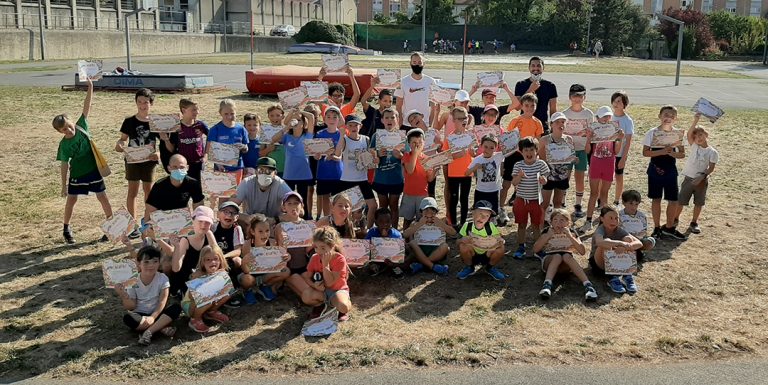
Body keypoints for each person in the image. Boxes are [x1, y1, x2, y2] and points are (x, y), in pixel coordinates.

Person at [53, 77, 114, 244]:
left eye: (69, 125)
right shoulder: (64, 145)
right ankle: (66, 228)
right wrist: (63, 184)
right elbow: (64, 164)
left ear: (72, 122)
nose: (69, 129)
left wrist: (91, 87)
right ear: (60, 131)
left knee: (102, 197)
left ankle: (111, 226)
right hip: (78, 173)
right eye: (64, 129)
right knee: (72, 199)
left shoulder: (81, 125)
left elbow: (87, 106)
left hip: (93, 170)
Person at [114, 243, 181, 345]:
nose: (151, 265)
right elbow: (131, 307)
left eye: (155, 261)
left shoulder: (163, 278)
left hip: (158, 313)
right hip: (141, 315)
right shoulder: (133, 280)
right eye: (146, 262)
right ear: (138, 263)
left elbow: (162, 301)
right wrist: (124, 295)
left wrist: (153, 317)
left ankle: (148, 331)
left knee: (176, 308)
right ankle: (159, 328)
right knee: (128, 318)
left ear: (159, 263)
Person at [115, 88, 159, 238]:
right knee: (132, 192)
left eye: (145, 102)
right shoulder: (129, 121)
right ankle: (132, 225)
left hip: (149, 161)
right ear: (136, 103)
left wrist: (158, 154)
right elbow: (123, 139)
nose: (142, 105)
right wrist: (120, 145)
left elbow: (164, 143)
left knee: (148, 191)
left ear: (151, 103)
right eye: (139, 102)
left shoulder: (155, 122)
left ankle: (147, 222)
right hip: (132, 161)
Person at [641, 105, 687, 240]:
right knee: (656, 199)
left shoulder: (677, 134)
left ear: (676, 119)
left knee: (673, 200)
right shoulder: (652, 133)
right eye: (666, 115)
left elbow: (682, 154)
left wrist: (672, 153)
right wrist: (661, 151)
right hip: (655, 170)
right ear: (660, 116)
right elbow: (645, 152)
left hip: (671, 170)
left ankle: (669, 227)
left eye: (672, 116)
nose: (669, 118)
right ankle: (656, 227)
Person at [532, 208, 596, 301]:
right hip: (549, 261)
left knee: (566, 256)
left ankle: (588, 285)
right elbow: (535, 249)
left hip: (565, 265)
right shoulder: (547, 231)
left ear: (568, 223)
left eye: (562, 220)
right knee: (558, 256)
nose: (558, 223)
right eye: (555, 220)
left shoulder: (572, 232)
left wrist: (570, 236)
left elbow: (582, 251)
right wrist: (547, 236)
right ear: (551, 222)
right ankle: (547, 285)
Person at [500, 93, 544, 225]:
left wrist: (536, 155)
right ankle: (501, 208)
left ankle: (526, 208)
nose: (529, 108)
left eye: (532, 105)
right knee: (507, 183)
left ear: (536, 106)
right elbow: (508, 139)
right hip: (514, 155)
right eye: (526, 105)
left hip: (530, 157)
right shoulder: (515, 121)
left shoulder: (538, 122)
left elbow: (539, 141)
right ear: (522, 106)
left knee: (527, 183)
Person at [579, 106, 624, 234]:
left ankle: (602, 222)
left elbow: (616, 151)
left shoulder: (614, 129)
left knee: (604, 193)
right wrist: (588, 137)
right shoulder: (593, 129)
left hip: (609, 163)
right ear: (597, 118)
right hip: (596, 162)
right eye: (604, 116)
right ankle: (588, 221)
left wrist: (619, 138)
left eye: (608, 116)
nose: (606, 118)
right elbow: (587, 151)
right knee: (594, 193)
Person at [674, 113, 719, 235]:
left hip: (701, 181)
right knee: (681, 200)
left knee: (698, 203)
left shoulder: (712, 152)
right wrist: (695, 120)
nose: (698, 138)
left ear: (706, 135)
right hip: (689, 179)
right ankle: (675, 219)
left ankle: (694, 222)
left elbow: (711, 168)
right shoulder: (694, 146)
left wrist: (702, 176)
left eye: (700, 135)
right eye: (695, 136)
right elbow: (689, 134)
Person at [299, 226, 352, 321]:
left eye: (323, 248)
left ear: (332, 246)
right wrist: (315, 286)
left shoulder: (339, 259)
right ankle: (320, 305)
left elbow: (329, 283)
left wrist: (325, 265)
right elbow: (307, 277)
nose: (318, 251)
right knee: (306, 296)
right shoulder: (315, 257)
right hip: (321, 292)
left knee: (343, 306)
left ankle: (341, 306)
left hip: (337, 290)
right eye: (316, 247)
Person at [334, 114, 378, 228]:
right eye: (351, 125)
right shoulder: (344, 139)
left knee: (373, 205)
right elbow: (337, 153)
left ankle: (367, 230)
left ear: (360, 126)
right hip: (347, 180)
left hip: (362, 179)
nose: (353, 127)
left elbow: (372, 158)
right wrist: (341, 135)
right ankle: (349, 231)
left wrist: (375, 158)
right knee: (349, 209)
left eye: (356, 125)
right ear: (347, 127)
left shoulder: (366, 139)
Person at [510, 137, 550, 259]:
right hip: (521, 200)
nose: (529, 153)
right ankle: (521, 247)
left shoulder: (541, 164)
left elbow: (545, 179)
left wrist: (543, 180)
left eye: (532, 150)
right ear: (521, 152)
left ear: (536, 151)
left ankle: (538, 249)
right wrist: (519, 176)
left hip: (536, 201)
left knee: (536, 225)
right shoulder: (518, 165)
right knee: (521, 224)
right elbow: (514, 183)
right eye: (526, 150)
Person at [271, 109, 316, 219]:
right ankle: (288, 219)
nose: (296, 122)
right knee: (287, 200)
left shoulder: (308, 135)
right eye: (294, 120)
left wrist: (299, 111)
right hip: (289, 174)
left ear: (303, 124)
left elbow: (311, 117)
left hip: (304, 173)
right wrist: (287, 126)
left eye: (299, 120)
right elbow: (273, 139)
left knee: (303, 199)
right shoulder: (287, 136)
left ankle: (305, 219)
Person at [589, 206, 643, 294]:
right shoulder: (600, 230)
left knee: (628, 239)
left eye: (616, 218)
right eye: (610, 218)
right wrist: (620, 243)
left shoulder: (619, 229)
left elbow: (639, 243)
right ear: (602, 219)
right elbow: (599, 242)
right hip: (599, 263)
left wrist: (625, 246)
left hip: (616, 262)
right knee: (606, 242)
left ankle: (627, 276)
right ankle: (612, 278)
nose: (614, 221)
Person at [239, 213, 291, 304]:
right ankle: (249, 290)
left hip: (266, 274)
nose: (265, 234)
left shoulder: (272, 243)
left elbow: (280, 262)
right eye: (260, 231)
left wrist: (287, 257)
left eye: (267, 231)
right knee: (246, 279)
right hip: (251, 274)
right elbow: (245, 270)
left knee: (286, 271)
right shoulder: (247, 245)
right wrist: (245, 261)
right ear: (252, 231)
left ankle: (265, 286)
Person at [181, 245, 233, 333]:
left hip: (209, 300)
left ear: (220, 260)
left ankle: (211, 312)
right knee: (207, 300)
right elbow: (191, 296)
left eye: (215, 259)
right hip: (190, 303)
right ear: (202, 262)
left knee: (228, 292)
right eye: (208, 260)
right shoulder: (198, 275)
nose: (212, 262)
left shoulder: (221, 273)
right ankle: (195, 319)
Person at [168, 206, 217, 296]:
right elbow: (176, 268)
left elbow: (218, 256)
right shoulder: (185, 240)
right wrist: (177, 247)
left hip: (203, 271)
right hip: (187, 277)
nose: (203, 225)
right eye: (200, 221)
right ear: (192, 221)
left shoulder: (209, 234)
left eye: (207, 222)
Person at [143, 154, 205, 225]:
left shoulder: (193, 183)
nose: (178, 170)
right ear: (169, 168)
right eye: (175, 167)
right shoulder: (159, 185)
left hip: (182, 218)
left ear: (187, 168)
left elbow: (199, 206)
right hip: (163, 218)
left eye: (182, 167)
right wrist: (146, 227)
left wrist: (197, 222)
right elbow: (150, 209)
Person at [561, 84, 594, 218]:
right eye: (575, 96)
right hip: (567, 151)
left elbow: (591, 132)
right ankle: (562, 203)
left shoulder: (588, 114)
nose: (577, 99)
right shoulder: (564, 114)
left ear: (584, 97)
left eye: (580, 96)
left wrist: (588, 145)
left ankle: (578, 204)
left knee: (579, 178)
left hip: (581, 150)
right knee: (564, 178)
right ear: (570, 97)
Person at [230, 157, 293, 226]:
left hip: (273, 223)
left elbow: (299, 211)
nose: (264, 174)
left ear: (275, 173)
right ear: (256, 171)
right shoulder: (247, 182)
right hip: (251, 222)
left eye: (268, 171)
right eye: (261, 170)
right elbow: (230, 207)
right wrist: (246, 218)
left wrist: (275, 219)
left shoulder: (280, 184)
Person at [538, 112, 575, 228]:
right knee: (544, 204)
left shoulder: (569, 139)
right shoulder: (544, 140)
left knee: (558, 203)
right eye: (557, 122)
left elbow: (571, 159)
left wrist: (574, 161)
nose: (561, 124)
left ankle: (557, 226)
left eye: (563, 122)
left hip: (562, 176)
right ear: (551, 124)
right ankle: (539, 226)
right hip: (548, 176)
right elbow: (540, 157)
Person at [278, 192, 317, 297]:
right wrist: (284, 247)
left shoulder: (308, 225)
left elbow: (310, 250)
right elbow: (280, 251)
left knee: (316, 289)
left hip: (305, 266)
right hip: (289, 269)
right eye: (289, 203)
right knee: (308, 293)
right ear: (284, 207)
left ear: (302, 205)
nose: (293, 206)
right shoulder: (280, 227)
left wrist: (312, 245)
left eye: (296, 203)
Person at [402, 197, 455, 275]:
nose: (429, 215)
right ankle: (432, 266)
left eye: (433, 212)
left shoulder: (442, 221)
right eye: (426, 213)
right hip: (420, 250)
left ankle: (423, 264)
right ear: (421, 212)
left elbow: (453, 233)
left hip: (436, 250)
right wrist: (420, 224)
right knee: (412, 243)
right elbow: (405, 234)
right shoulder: (415, 223)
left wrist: (441, 224)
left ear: (436, 212)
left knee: (445, 247)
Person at [371, 108, 405, 229]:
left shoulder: (402, 137)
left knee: (394, 206)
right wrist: (378, 154)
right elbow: (371, 156)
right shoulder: (376, 136)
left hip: (396, 178)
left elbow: (408, 158)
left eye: (393, 117)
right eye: (386, 117)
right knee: (383, 207)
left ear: (397, 120)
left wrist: (400, 156)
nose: (389, 120)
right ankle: (382, 229)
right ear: (382, 120)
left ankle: (394, 231)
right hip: (381, 179)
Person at [456, 201, 507, 281]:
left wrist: (500, 241)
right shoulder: (467, 226)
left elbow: (498, 238)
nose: (483, 218)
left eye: (486, 216)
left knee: (501, 248)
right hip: (473, 254)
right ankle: (469, 267)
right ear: (473, 213)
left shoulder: (490, 227)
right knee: (463, 246)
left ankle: (490, 267)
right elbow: (457, 242)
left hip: (487, 253)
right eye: (480, 214)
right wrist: (462, 240)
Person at [442, 106, 476, 228]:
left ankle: (463, 223)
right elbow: (445, 156)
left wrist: (472, 152)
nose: (463, 120)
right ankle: (453, 223)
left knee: (465, 198)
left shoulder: (470, 135)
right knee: (454, 198)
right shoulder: (450, 138)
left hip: (467, 172)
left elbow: (475, 152)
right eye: (460, 118)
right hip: (453, 173)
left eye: (465, 117)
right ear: (454, 120)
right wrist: (454, 156)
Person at [162, 98, 208, 182]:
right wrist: (166, 140)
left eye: (198, 109)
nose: (197, 112)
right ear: (184, 110)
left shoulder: (200, 125)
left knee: (198, 190)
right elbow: (171, 149)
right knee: (183, 190)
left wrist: (206, 155)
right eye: (193, 110)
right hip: (182, 166)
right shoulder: (176, 127)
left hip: (198, 163)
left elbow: (211, 140)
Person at [206, 99, 249, 185]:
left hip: (237, 167)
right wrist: (218, 164)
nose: (229, 116)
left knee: (236, 194)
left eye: (232, 113)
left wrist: (244, 148)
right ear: (220, 113)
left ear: (236, 112)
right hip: (221, 168)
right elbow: (209, 150)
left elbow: (246, 148)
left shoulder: (241, 129)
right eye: (226, 114)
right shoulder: (215, 129)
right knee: (223, 195)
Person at [400, 128, 436, 230]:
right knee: (408, 219)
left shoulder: (427, 158)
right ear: (409, 144)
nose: (417, 145)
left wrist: (434, 171)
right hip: (409, 194)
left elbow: (429, 179)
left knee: (422, 219)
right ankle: (406, 239)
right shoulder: (407, 156)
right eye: (414, 143)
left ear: (424, 143)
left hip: (422, 194)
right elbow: (410, 170)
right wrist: (415, 153)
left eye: (420, 142)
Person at [212, 201, 245, 307]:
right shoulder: (213, 227)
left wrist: (223, 257)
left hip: (228, 258)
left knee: (237, 260)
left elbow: (238, 250)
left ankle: (233, 288)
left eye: (233, 213)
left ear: (237, 217)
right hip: (213, 257)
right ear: (218, 214)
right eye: (225, 212)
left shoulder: (236, 229)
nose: (229, 215)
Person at [314, 106, 345, 217]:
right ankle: (326, 219)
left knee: (337, 199)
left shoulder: (341, 134)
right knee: (325, 198)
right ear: (325, 119)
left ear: (339, 119)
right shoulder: (319, 134)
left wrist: (333, 157)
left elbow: (339, 155)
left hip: (337, 173)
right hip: (323, 172)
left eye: (334, 117)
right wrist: (317, 155)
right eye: (329, 117)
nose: (332, 119)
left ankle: (336, 219)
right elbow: (316, 157)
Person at [514, 57, 558, 134]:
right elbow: (517, 107)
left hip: (542, 126)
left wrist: (554, 126)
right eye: (533, 66)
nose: (536, 68)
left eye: (538, 66)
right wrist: (530, 90)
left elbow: (553, 109)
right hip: (524, 125)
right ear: (529, 68)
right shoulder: (520, 84)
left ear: (543, 68)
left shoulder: (550, 85)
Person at [466, 135, 504, 219]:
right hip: (481, 190)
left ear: (496, 148)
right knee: (479, 214)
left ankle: (491, 229)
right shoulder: (478, 159)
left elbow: (513, 148)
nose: (488, 150)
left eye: (491, 148)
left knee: (493, 214)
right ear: (481, 146)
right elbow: (466, 173)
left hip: (494, 190)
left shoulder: (498, 156)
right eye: (485, 147)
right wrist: (475, 167)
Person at [395, 52, 437, 127]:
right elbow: (398, 106)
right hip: (407, 123)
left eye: (419, 62)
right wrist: (400, 124)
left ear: (423, 63)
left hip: (424, 123)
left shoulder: (430, 81)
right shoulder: (402, 82)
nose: (417, 65)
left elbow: (434, 106)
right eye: (414, 62)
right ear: (410, 63)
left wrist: (430, 122)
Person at [364, 207, 405, 278]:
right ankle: (376, 266)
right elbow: (365, 246)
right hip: (376, 259)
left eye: (387, 221)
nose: (385, 224)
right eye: (381, 221)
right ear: (376, 222)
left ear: (391, 222)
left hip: (392, 260)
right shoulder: (372, 232)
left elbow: (400, 251)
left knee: (401, 258)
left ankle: (394, 268)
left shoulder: (396, 235)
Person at [611, 91, 634, 207]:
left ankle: (616, 200)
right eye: (615, 101)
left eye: (619, 101)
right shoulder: (609, 116)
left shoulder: (627, 120)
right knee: (604, 177)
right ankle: (601, 200)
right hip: (607, 153)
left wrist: (623, 158)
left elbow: (628, 141)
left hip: (619, 154)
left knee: (619, 176)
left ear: (625, 104)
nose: (616, 103)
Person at [620, 190, 656, 261]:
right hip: (624, 239)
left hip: (638, 240)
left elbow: (644, 231)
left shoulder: (641, 216)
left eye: (636, 204)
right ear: (624, 203)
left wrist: (637, 236)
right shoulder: (619, 215)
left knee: (650, 242)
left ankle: (637, 250)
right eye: (631, 203)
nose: (633, 206)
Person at [260, 104, 287, 178]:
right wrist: (268, 149)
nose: (275, 118)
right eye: (272, 115)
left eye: (278, 115)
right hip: (270, 169)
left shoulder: (288, 130)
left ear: (283, 116)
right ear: (268, 116)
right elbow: (260, 154)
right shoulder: (264, 130)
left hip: (286, 169)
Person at [242, 113, 262, 178]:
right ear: (244, 126)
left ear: (259, 126)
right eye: (249, 125)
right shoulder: (242, 141)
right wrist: (242, 168)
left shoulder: (262, 141)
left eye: (255, 125)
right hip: (244, 171)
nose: (252, 127)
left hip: (258, 172)